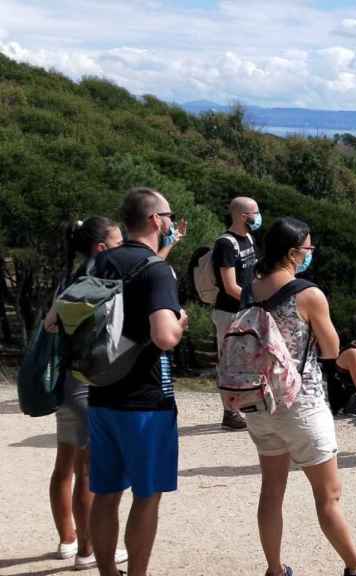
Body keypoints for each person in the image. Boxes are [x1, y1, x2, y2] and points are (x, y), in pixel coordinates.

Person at [246, 217, 356, 576]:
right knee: (328, 497)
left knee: (272, 491)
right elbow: (330, 349)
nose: (311, 253)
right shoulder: (307, 293)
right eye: (308, 248)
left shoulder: (251, 286)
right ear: (294, 252)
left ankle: (275, 570)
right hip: (301, 403)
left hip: (259, 401)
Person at [87, 188, 188, 576]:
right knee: (147, 496)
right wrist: (178, 323)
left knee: (106, 493)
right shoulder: (157, 270)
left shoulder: (100, 263)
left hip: (100, 392)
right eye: (168, 215)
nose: (169, 222)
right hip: (146, 400)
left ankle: (108, 573)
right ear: (154, 220)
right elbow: (163, 336)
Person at [42, 217, 127, 570]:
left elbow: (50, 323)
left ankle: (67, 539)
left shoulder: (68, 279)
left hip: (67, 382)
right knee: (90, 471)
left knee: (65, 465)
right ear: (102, 248)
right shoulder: (105, 283)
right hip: (93, 384)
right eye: (119, 241)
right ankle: (87, 551)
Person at [212, 196, 261, 430]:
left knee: (248, 361)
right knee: (229, 363)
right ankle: (229, 412)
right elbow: (230, 286)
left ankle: (243, 405)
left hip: (246, 309)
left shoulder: (249, 238)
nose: (258, 217)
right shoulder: (225, 243)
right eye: (255, 212)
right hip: (229, 312)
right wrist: (257, 299)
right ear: (243, 216)